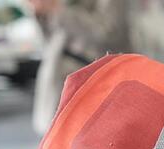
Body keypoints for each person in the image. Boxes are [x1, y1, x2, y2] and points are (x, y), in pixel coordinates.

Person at [28, 0, 131, 134]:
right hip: (58, 83)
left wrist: (59, 9)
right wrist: (40, 12)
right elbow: (48, 43)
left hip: (92, 84)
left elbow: (107, 33)